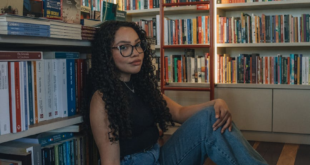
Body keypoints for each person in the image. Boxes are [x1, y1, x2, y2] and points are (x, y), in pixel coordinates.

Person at [82, 20, 268, 165]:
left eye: (138, 45)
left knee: (212, 116)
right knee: (210, 122)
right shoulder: (102, 99)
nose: (135, 52)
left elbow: (179, 113)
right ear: (107, 54)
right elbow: (110, 161)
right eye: (123, 47)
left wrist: (216, 103)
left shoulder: (141, 86)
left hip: (159, 157)